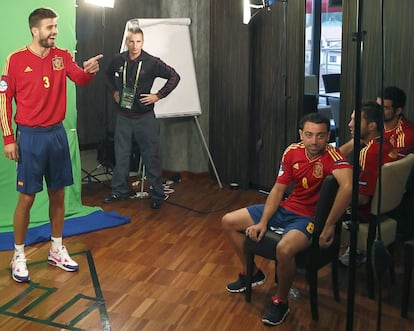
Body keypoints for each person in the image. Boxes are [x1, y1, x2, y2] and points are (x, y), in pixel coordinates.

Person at [0, 8, 102, 283]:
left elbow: (79, 78)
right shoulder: (16, 60)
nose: (54, 31)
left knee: (58, 195)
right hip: (30, 137)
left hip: (57, 135)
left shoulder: (62, 56)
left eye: (55, 26)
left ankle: (56, 248)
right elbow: (3, 100)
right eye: (49, 27)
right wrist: (9, 138)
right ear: (35, 30)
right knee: (27, 199)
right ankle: (18, 254)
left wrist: (89, 72)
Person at [222, 113, 352, 326]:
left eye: (320, 136)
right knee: (228, 221)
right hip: (286, 209)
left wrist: (329, 225)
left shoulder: (334, 155)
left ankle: (280, 301)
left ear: (328, 135)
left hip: (308, 218)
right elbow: (278, 189)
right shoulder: (292, 151)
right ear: (301, 134)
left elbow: (348, 186)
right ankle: (253, 273)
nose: (314, 141)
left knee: (284, 249)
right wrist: (263, 221)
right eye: (309, 135)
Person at [103, 25, 180, 209]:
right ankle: (119, 190)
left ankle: (157, 194)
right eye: (131, 41)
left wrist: (158, 95)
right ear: (127, 42)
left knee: (150, 156)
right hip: (123, 116)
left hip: (144, 117)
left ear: (142, 42)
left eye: (138, 42)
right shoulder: (119, 60)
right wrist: (114, 91)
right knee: (121, 155)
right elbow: (106, 75)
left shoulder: (152, 62)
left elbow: (174, 76)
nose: (135, 45)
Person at [339, 101, 399, 266]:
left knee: (318, 199)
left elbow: (362, 199)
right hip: (386, 209)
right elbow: (336, 156)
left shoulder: (368, 153)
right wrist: (356, 139)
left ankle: (313, 257)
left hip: (363, 214)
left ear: (372, 126)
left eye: (355, 121)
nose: (349, 124)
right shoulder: (384, 143)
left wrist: (337, 196)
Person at [340, 86, 414, 158]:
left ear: (398, 111)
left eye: (384, 108)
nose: (378, 110)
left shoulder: (405, 135)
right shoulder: (374, 122)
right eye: (377, 105)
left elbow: (396, 166)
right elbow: (349, 146)